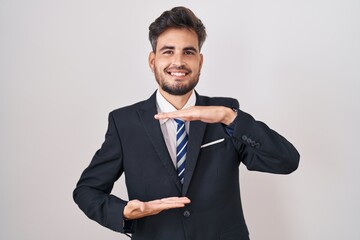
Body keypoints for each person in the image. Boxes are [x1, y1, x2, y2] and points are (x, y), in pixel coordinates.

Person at [73, 6, 300, 240]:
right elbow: (87, 191)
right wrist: (123, 212)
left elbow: (286, 161)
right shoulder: (124, 122)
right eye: (168, 52)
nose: (178, 62)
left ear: (200, 61)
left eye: (188, 52)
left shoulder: (225, 114)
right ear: (153, 61)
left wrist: (229, 117)